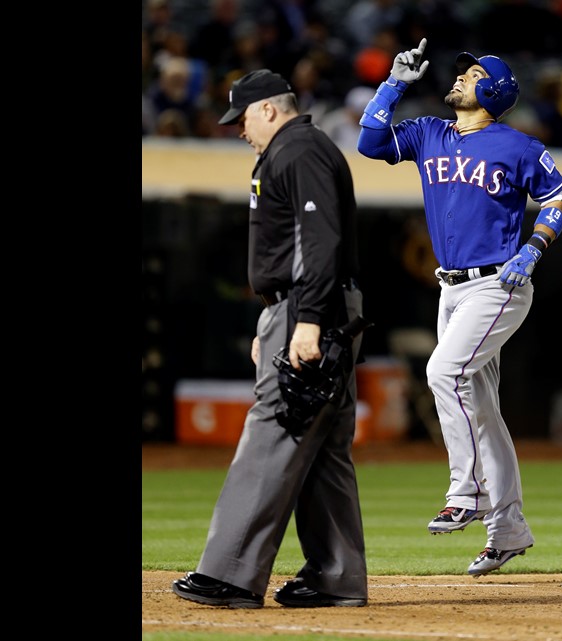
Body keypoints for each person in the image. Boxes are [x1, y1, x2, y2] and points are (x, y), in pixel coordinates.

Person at [356, 39, 562, 576]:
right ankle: (507, 530)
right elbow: (369, 143)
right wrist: (393, 84)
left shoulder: (518, 145)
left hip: (498, 284)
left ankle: (469, 489)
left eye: (473, 73)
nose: (459, 78)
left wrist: (534, 246)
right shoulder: (431, 132)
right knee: (482, 410)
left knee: (442, 371)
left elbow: (561, 197)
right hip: (450, 289)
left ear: (494, 90)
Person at [171, 69, 369, 608]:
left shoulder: (298, 149)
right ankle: (336, 577)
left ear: (268, 110)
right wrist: (275, 317)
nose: (239, 130)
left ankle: (230, 574)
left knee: (274, 427)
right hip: (312, 308)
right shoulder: (301, 148)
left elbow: (318, 242)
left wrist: (302, 320)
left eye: (242, 119)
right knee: (324, 447)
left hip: (314, 310)